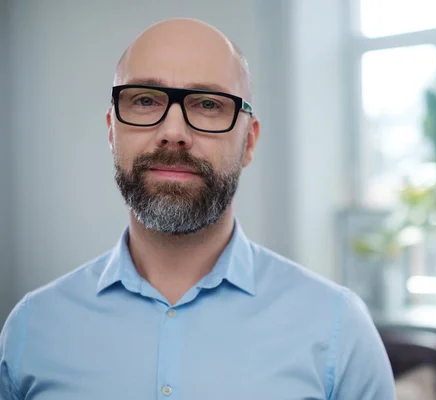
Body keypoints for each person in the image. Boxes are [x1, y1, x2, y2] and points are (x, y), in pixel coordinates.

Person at [0, 18, 395, 399]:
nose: (173, 133)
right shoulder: (32, 328)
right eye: (144, 100)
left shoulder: (338, 329)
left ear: (250, 142)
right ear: (111, 130)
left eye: (207, 104)